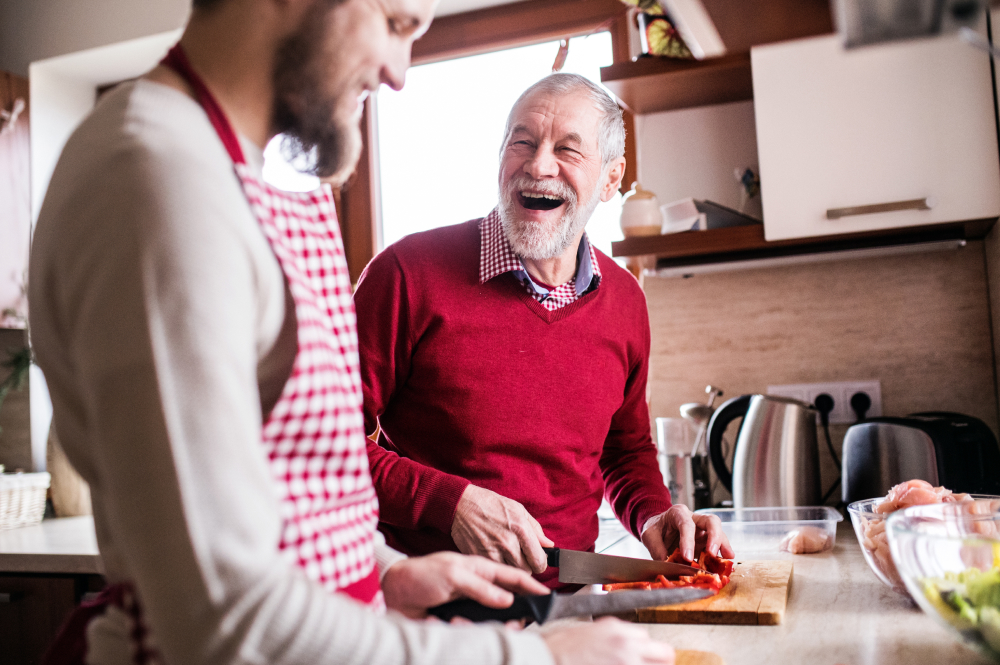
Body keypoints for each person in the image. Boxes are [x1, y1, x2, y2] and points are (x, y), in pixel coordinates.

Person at [28, 1, 677, 664]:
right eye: (397, 25)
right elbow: (224, 617)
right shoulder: (160, 179)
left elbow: (282, 480)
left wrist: (381, 569)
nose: (398, 74)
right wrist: (545, 658)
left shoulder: (220, 169)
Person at [354, 74, 733, 584]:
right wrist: (451, 503)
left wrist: (653, 517)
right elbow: (321, 446)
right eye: (522, 142)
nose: (538, 165)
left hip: (569, 605)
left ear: (611, 178)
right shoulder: (406, 274)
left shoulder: (625, 302)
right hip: (427, 608)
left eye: (568, 150)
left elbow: (625, 452)